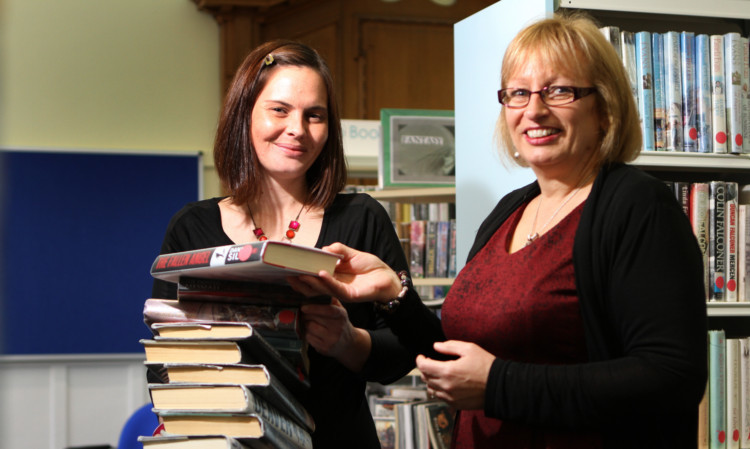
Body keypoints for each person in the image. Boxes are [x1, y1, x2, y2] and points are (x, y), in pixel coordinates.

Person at [292, 13, 708, 448]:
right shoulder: (510, 210)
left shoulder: (637, 206)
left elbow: (670, 376)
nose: (534, 110)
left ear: (604, 108)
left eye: (560, 90)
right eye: (518, 93)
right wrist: (395, 297)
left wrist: (499, 385)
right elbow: (457, 358)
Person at [151, 40, 416, 448]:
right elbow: (162, 363)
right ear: (245, 116)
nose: (297, 129)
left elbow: (404, 352)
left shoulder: (362, 218)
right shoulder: (193, 227)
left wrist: (349, 342)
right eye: (279, 109)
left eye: (315, 115)